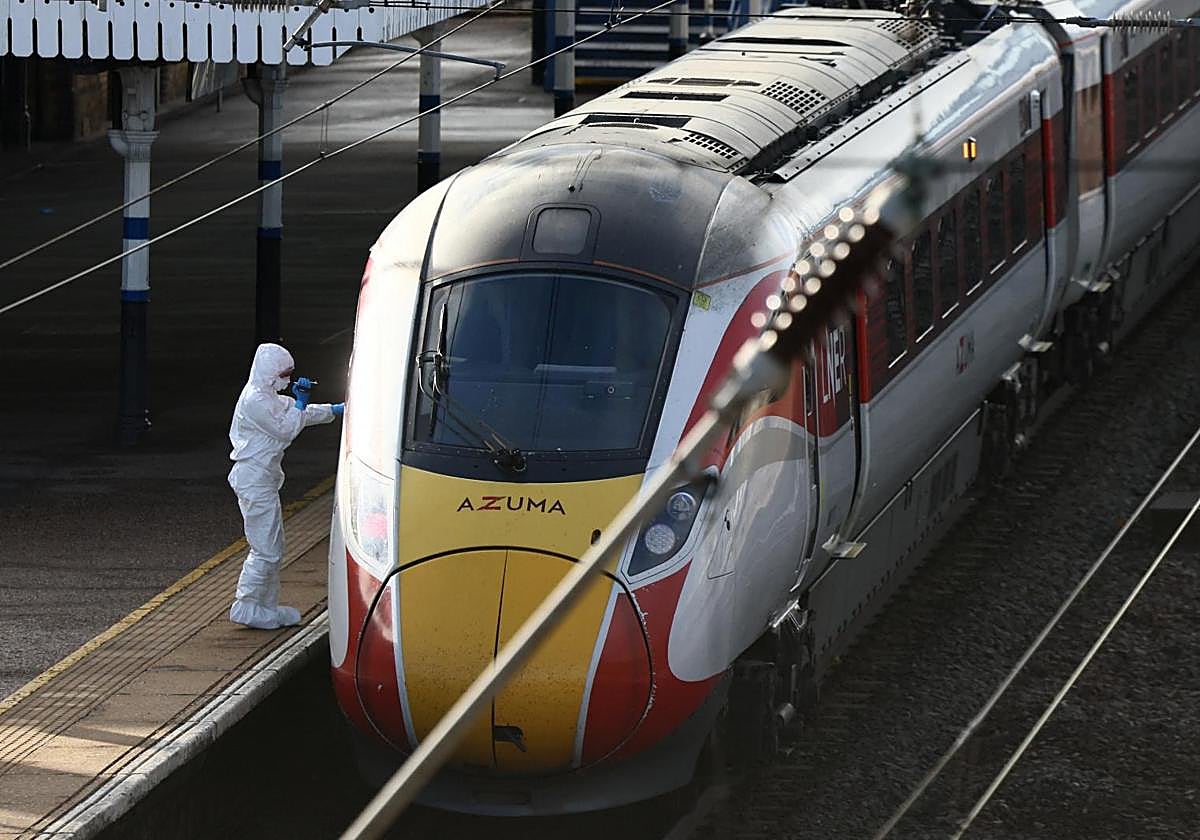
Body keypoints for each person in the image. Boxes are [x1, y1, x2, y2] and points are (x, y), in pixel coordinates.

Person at [228, 343, 344, 629]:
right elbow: (286, 428)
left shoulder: (268, 397)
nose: (288, 380)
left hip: (262, 479)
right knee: (265, 549)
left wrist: (335, 410)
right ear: (269, 373)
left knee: (274, 547)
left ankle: (265, 608)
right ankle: (246, 606)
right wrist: (302, 403)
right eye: (284, 374)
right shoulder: (254, 401)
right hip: (254, 480)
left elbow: (299, 414)